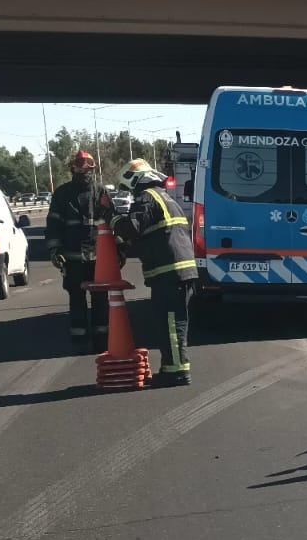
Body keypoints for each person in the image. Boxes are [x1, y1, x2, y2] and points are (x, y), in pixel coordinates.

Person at [111, 159, 198, 388]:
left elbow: (131, 227)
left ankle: (178, 372)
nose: (129, 192)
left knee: (171, 324)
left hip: (171, 273)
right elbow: (149, 237)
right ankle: (171, 369)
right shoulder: (163, 196)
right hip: (176, 272)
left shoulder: (147, 197)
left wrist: (113, 218)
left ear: (135, 180)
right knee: (170, 322)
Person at [44, 150, 108, 352]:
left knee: (100, 299)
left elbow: (113, 223)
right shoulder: (62, 194)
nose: (84, 171)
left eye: (88, 167)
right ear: (73, 168)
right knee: (77, 298)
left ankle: (102, 338)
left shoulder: (100, 192)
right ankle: (80, 338)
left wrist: (119, 251)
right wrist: (55, 250)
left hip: (99, 258)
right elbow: (53, 224)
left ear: (93, 169)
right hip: (73, 258)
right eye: (80, 167)